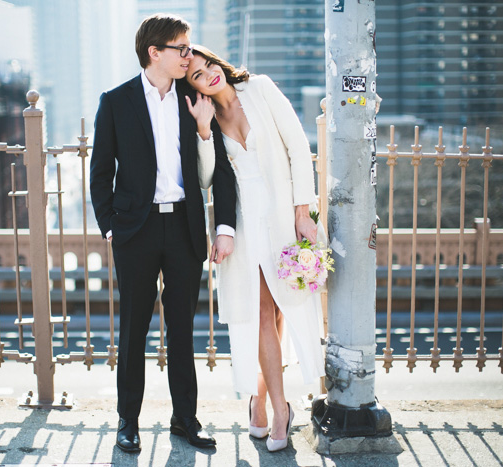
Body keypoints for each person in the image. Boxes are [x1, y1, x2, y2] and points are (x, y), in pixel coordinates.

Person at [89, 15, 236, 453]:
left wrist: (206, 129)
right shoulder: (115, 102)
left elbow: (219, 173)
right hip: (136, 229)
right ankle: (127, 421)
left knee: (182, 331)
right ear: (156, 52)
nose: (190, 56)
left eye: (189, 48)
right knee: (133, 329)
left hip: (185, 226)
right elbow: (100, 173)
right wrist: (110, 225)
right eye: (182, 49)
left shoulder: (195, 99)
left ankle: (184, 419)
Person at [184, 45, 326, 452]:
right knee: (263, 312)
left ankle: (258, 401)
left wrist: (305, 211)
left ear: (218, 63)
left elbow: (298, 148)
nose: (208, 73)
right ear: (193, 87)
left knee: (282, 313)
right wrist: (205, 130)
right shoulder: (205, 116)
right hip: (245, 226)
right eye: (196, 75)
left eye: (208, 64)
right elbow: (208, 178)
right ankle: (280, 410)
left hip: (284, 218)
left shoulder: (260, 89)